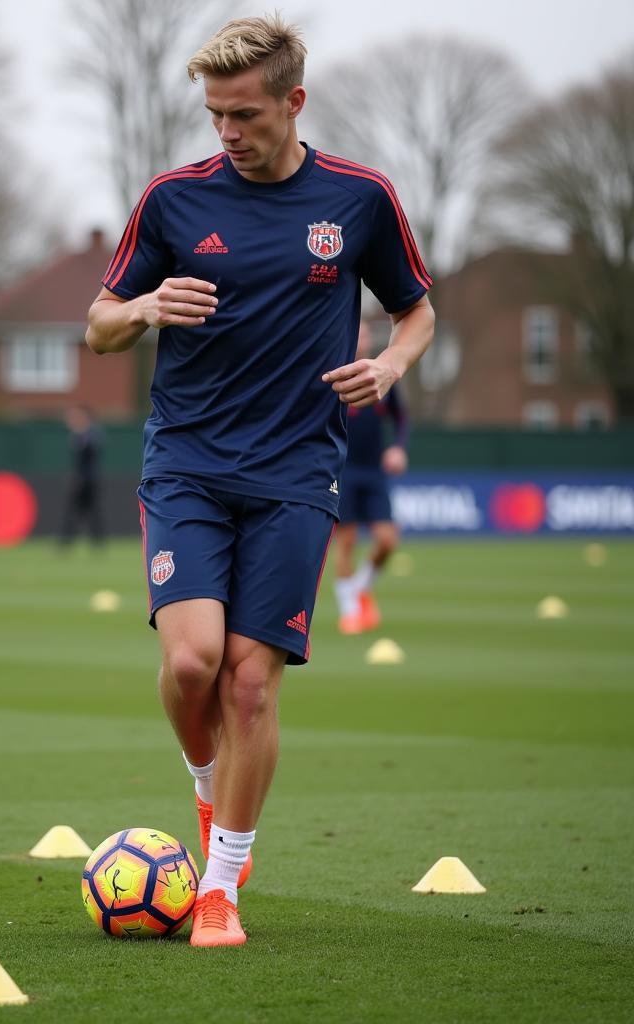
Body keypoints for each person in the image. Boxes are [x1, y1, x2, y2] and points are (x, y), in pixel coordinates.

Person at [85, 14, 434, 947]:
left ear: (294, 103)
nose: (228, 133)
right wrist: (147, 305)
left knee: (249, 686)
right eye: (214, 115)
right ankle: (208, 790)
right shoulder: (172, 201)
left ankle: (222, 888)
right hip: (188, 460)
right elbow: (98, 323)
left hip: (297, 470)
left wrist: (391, 368)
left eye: (244, 114)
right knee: (192, 662)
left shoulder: (360, 200)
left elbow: (417, 312)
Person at [334, 321, 409, 635]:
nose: (360, 338)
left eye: (365, 333)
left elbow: (402, 418)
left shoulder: (380, 374)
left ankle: (360, 589)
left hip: (374, 471)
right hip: (342, 470)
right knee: (347, 541)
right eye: (357, 332)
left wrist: (398, 448)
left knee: (388, 540)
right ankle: (350, 611)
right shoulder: (334, 374)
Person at [59, 405, 105, 548]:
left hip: (89, 480)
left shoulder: (90, 435)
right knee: (77, 511)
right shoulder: (79, 436)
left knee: (89, 511)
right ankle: (68, 541)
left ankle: (96, 541)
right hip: (85, 479)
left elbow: (89, 459)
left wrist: (79, 478)